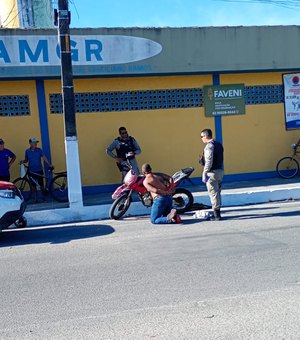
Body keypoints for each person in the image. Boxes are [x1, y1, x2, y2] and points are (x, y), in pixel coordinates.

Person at [200, 128, 224, 221]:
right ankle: (217, 212)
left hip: (212, 172)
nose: (201, 138)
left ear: (206, 136)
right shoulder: (218, 144)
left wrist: (204, 172)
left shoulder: (209, 146)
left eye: (202, 136)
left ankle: (216, 215)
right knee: (217, 192)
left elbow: (209, 161)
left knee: (213, 193)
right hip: (220, 171)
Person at [21, 137, 53, 203]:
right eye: (34, 142)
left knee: (41, 185)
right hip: (31, 171)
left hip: (39, 170)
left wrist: (49, 164)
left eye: (36, 142)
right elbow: (26, 160)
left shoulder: (39, 150)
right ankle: (35, 199)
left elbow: (44, 157)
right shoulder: (27, 151)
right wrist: (23, 161)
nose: (35, 144)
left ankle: (44, 198)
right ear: (30, 143)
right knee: (33, 186)